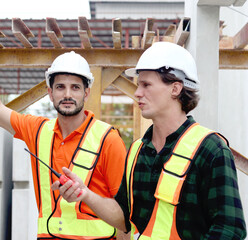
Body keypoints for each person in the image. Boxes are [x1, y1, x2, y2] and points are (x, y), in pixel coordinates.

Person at [53, 41, 247, 239]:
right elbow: (124, 217)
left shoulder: (210, 149)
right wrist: (85, 194)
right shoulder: (137, 151)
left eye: (146, 85)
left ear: (175, 88)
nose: (137, 93)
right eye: (139, 85)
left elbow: (230, 230)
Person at [0, 26, 128, 239]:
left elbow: (125, 217)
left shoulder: (108, 139)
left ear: (86, 93)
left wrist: (85, 195)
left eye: (75, 88)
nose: (67, 94)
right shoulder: (38, 130)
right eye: (60, 87)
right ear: (50, 93)